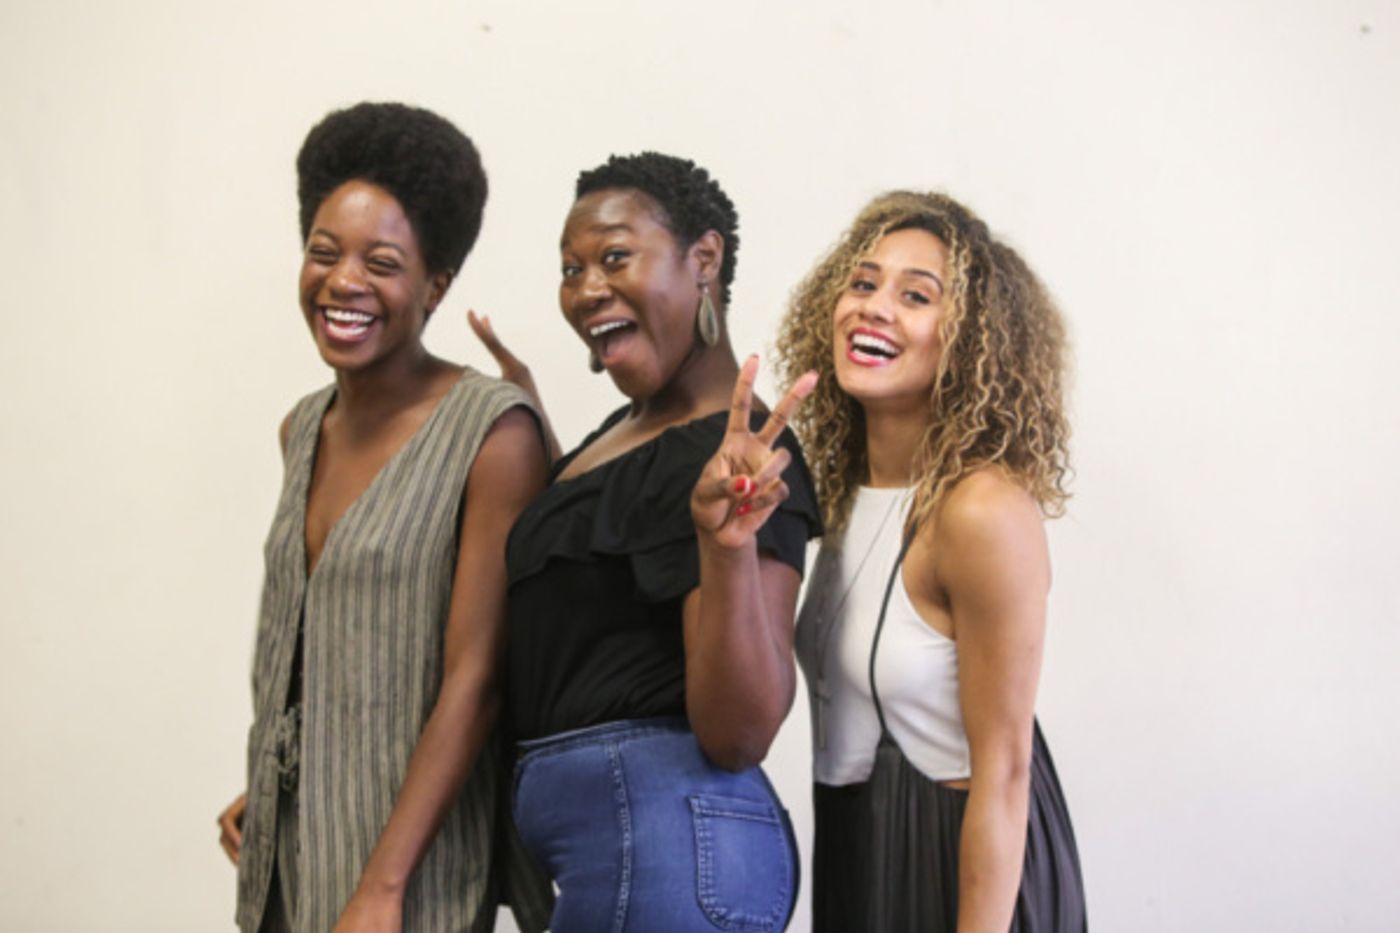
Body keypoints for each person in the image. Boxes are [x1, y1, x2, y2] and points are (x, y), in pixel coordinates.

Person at [215, 102, 550, 933]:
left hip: (413, 871)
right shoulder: (300, 428)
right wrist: (276, 777)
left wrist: (385, 885)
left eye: (383, 262)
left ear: (435, 283)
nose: (342, 281)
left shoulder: (492, 431)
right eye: (323, 253)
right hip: (286, 854)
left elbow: (476, 679)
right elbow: (328, 641)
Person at [474, 152, 822, 932]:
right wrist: (524, 432)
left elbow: (741, 730)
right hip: (610, 844)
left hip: (664, 843)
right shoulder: (624, 436)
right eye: (571, 268)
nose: (587, 287)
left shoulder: (742, 460)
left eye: (614, 257)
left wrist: (727, 545)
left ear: (704, 260)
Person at [776, 191, 1087, 931]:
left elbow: (1005, 772)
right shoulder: (844, 499)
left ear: (971, 339)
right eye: (863, 283)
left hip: (962, 873)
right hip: (855, 855)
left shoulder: (980, 510)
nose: (875, 307)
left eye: (916, 296)